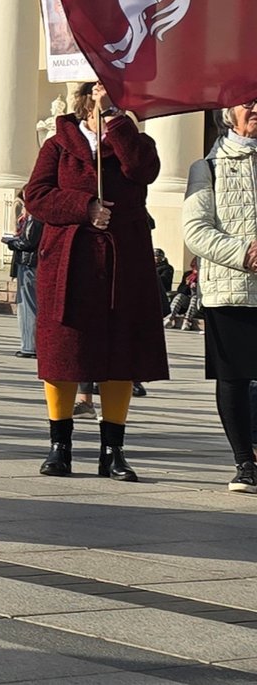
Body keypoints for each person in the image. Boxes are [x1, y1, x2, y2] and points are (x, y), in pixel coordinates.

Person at [25, 81, 166, 481]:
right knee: (64, 352)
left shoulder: (136, 140)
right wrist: (84, 207)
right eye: (102, 92)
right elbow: (36, 195)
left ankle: (112, 451)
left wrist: (118, 123)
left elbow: (143, 172)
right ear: (86, 99)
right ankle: (60, 446)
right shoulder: (57, 145)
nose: (108, 98)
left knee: (120, 353)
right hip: (70, 261)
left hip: (125, 260)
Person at [182, 99, 257, 492]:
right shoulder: (207, 167)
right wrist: (245, 253)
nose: (256, 107)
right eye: (248, 102)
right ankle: (245, 462)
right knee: (235, 378)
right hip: (231, 287)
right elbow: (195, 229)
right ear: (228, 114)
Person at [5, 192, 43, 358]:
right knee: (31, 304)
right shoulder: (39, 215)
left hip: (28, 262)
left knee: (27, 305)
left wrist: (11, 242)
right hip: (34, 262)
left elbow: (28, 241)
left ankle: (29, 346)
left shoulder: (35, 216)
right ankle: (32, 344)